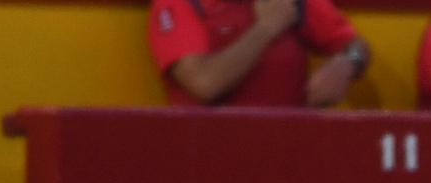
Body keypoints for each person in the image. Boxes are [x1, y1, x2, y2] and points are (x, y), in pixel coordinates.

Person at [147, 0, 371, 107]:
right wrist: (265, 29)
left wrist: (348, 64)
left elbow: (356, 45)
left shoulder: (294, 2)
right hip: (210, 158)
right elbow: (205, 83)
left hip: (291, 152)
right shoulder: (178, 4)